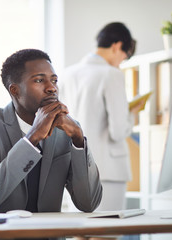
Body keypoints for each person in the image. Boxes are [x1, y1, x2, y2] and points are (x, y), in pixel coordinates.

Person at [0, 49, 102, 215]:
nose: (52, 88)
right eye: (39, 80)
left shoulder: (67, 130)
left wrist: (78, 139)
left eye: (54, 80)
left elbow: (89, 203)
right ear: (15, 90)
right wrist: (32, 138)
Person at [59, 22, 144, 211]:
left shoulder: (67, 74)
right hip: (108, 170)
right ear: (116, 46)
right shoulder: (112, 74)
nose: (123, 60)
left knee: (81, 231)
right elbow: (118, 131)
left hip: (76, 168)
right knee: (105, 232)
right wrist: (132, 114)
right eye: (126, 55)